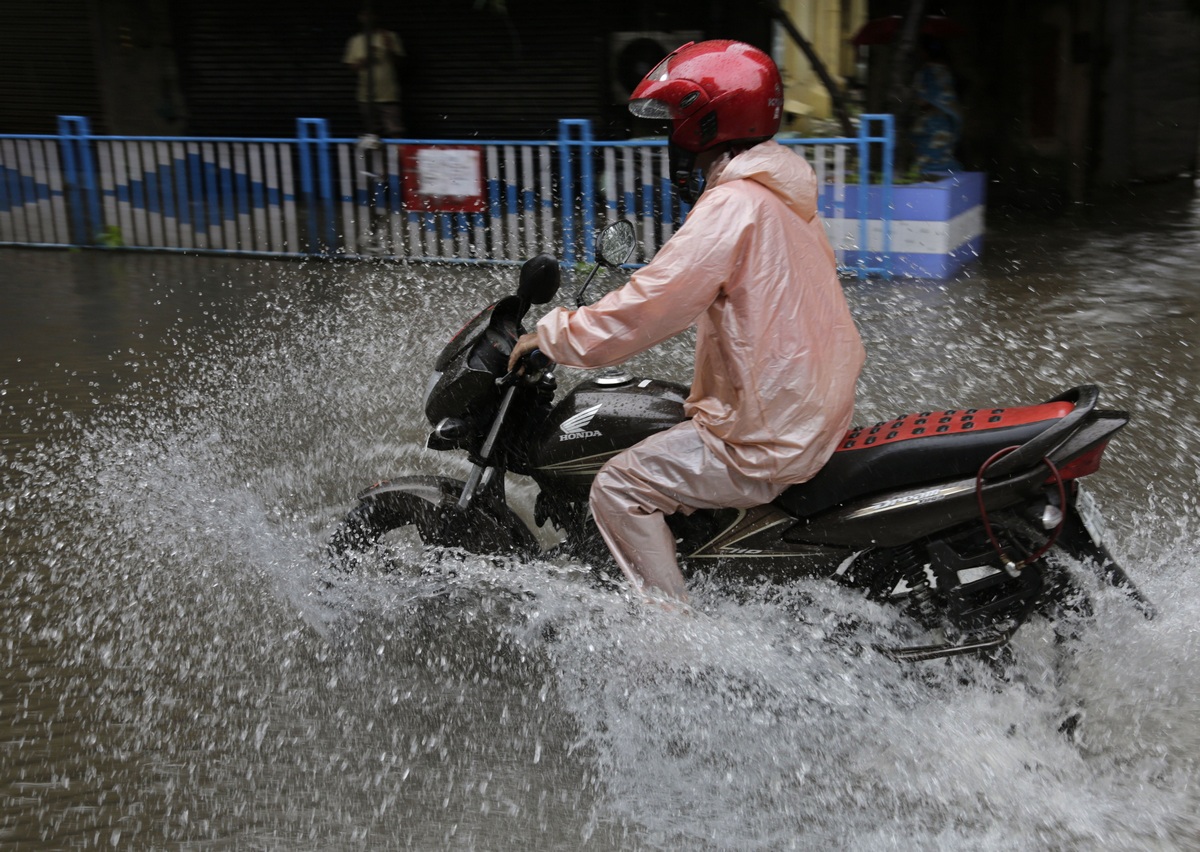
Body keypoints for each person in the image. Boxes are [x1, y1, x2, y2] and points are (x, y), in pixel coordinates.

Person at [508, 40, 865, 606]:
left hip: (767, 435)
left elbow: (652, 304)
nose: (672, 131)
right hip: (808, 411)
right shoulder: (783, 199)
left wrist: (554, 334)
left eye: (678, 116)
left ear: (708, 119)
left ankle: (674, 641)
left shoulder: (735, 205)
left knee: (620, 488)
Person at [342, 11, 406, 137]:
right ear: (360, 18)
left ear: (377, 16)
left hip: (388, 95)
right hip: (365, 96)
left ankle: (397, 157)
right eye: (364, 14)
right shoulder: (356, 40)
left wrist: (390, 48)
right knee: (372, 134)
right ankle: (378, 157)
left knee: (395, 131)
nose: (367, 18)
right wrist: (366, 59)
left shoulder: (389, 36)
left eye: (370, 14)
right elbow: (351, 68)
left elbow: (401, 63)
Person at [910, 37, 962, 175]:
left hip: (930, 120)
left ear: (924, 52)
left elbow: (921, 100)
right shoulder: (946, 71)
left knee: (927, 157)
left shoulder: (925, 72)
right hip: (948, 119)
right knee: (943, 154)